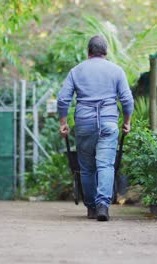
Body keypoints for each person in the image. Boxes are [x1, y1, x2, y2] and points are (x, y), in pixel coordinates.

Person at [57, 35, 134, 221]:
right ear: (106, 52)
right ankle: (103, 206)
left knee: (87, 168)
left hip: (84, 123)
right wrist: (127, 121)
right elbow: (127, 100)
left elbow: (63, 99)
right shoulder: (116, 71)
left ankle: (91, 207)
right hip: (108, 122)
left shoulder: (76, 71)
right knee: (106, 165)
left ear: (88, 52)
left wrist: (63, 123)